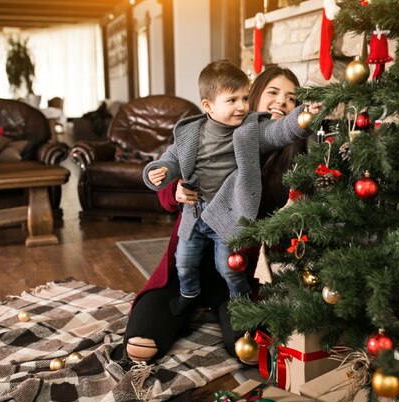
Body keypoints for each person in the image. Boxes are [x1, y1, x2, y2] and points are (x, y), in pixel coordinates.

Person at [123, 65, 307, 363]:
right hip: (188, 262)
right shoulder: (208, 133)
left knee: (248, 347)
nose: (281, 102)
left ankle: (225, 307)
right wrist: (177, 188)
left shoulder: (292, 154)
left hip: (238, 268)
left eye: (291, 98)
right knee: (141, 342)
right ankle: (187, 301)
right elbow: (168, 181)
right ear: (255, 96)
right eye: (273, 93)